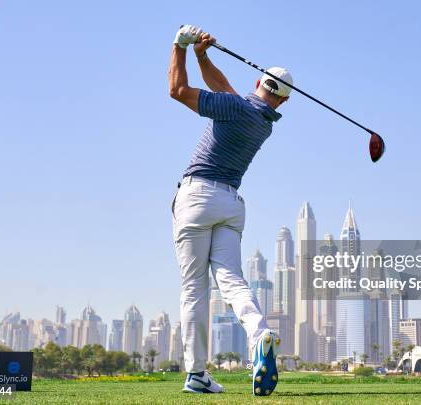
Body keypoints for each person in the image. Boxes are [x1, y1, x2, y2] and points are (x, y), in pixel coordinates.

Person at [169, 25, 291, 396]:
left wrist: (179, 46)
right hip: (231, 204)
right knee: (232, 280)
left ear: (258, 83)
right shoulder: (262, 121)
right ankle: (260, 334)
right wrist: (203, 56)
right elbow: (225, 90)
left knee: (194, 288)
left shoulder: (236, 106)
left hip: (196, 198)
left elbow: (176, 91)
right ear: (283, 101)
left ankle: (197, 374)